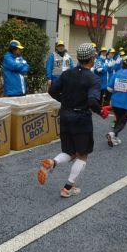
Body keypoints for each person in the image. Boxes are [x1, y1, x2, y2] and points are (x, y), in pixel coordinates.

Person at [37, 43, 107, 198]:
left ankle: (53, 162)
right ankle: (67, 188)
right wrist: (101, 111)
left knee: (69, 152)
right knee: (82, 155)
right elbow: (92, 102)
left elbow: (52, 90)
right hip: (81, 119)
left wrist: (65, 101)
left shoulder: (67, 74)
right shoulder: (93, 78)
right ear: (92, 58)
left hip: (65, 116)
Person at [106, 56, 127, 146]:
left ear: (122, 64)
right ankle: (112, 134)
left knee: (118, 120)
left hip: (115, 101)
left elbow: (109, 88)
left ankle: (115, 137)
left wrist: (116, 91)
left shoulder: (116, 73)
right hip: (126, 102)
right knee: (122, 122)